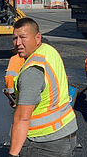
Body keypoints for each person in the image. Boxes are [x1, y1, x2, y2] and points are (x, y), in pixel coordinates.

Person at [9, 17, 77, 157]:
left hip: (45, 141)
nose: (18, 43)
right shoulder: (48, 51)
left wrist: (13, 154)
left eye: (23, 37)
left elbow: (22, 118)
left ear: (38, 37)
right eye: (15, 38)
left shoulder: (31, 71)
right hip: (66, 130)